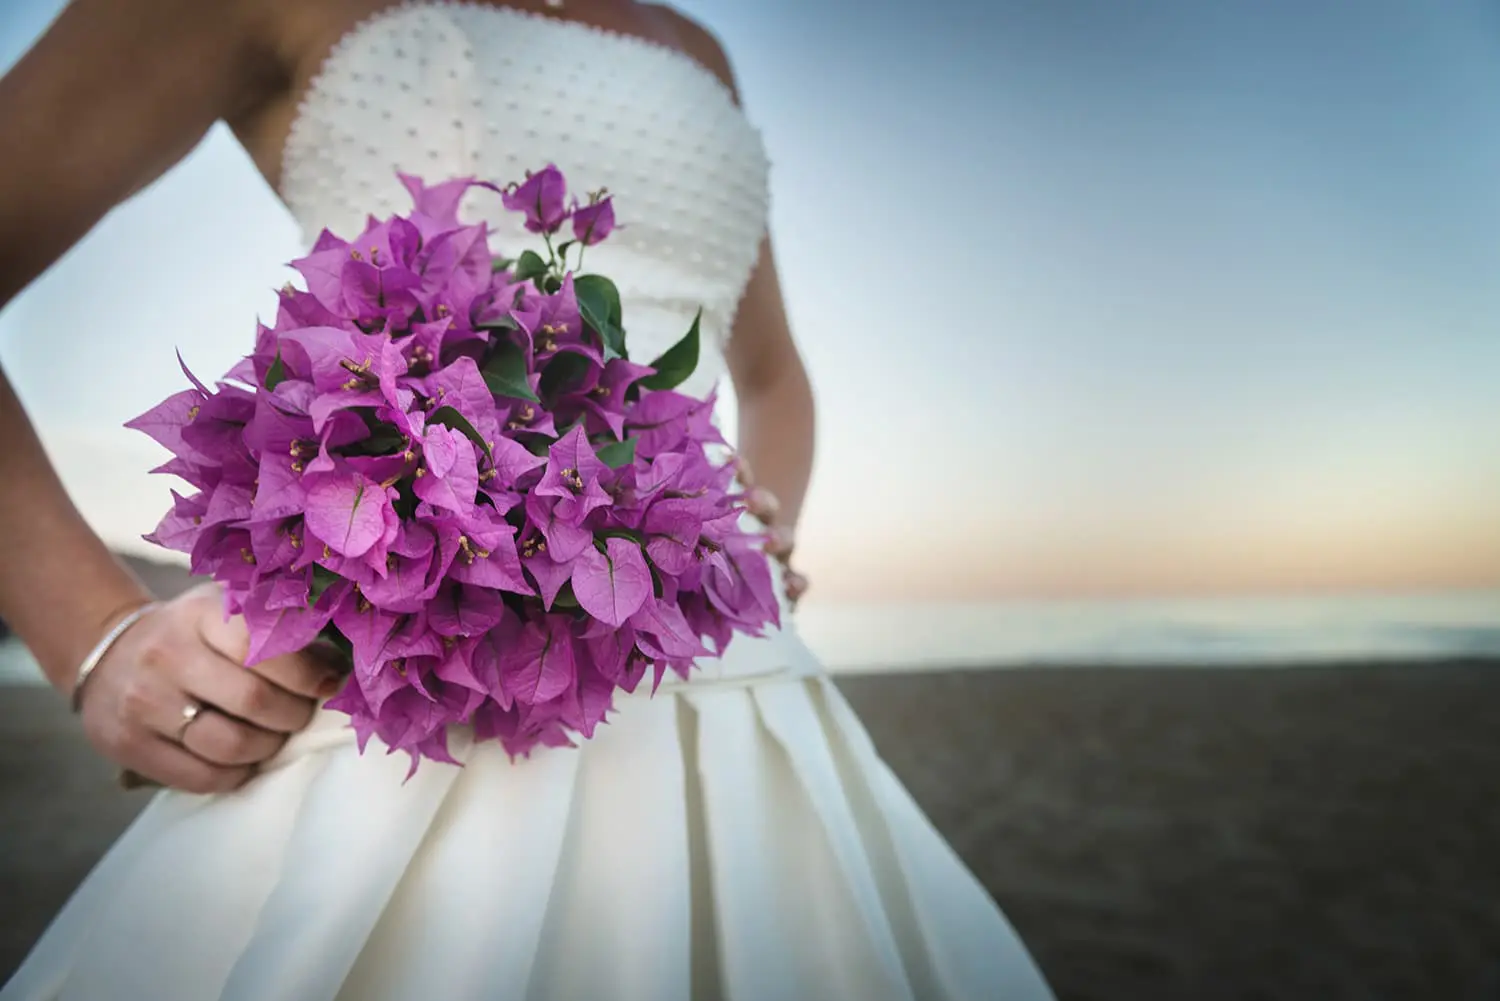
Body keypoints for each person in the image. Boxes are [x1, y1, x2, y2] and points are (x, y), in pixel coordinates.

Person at [0, 1, 1057, 998]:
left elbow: (774, 376)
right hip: (419, 674)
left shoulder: (695, 47)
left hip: (727, 667)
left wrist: (759, 527)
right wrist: (91, 633)